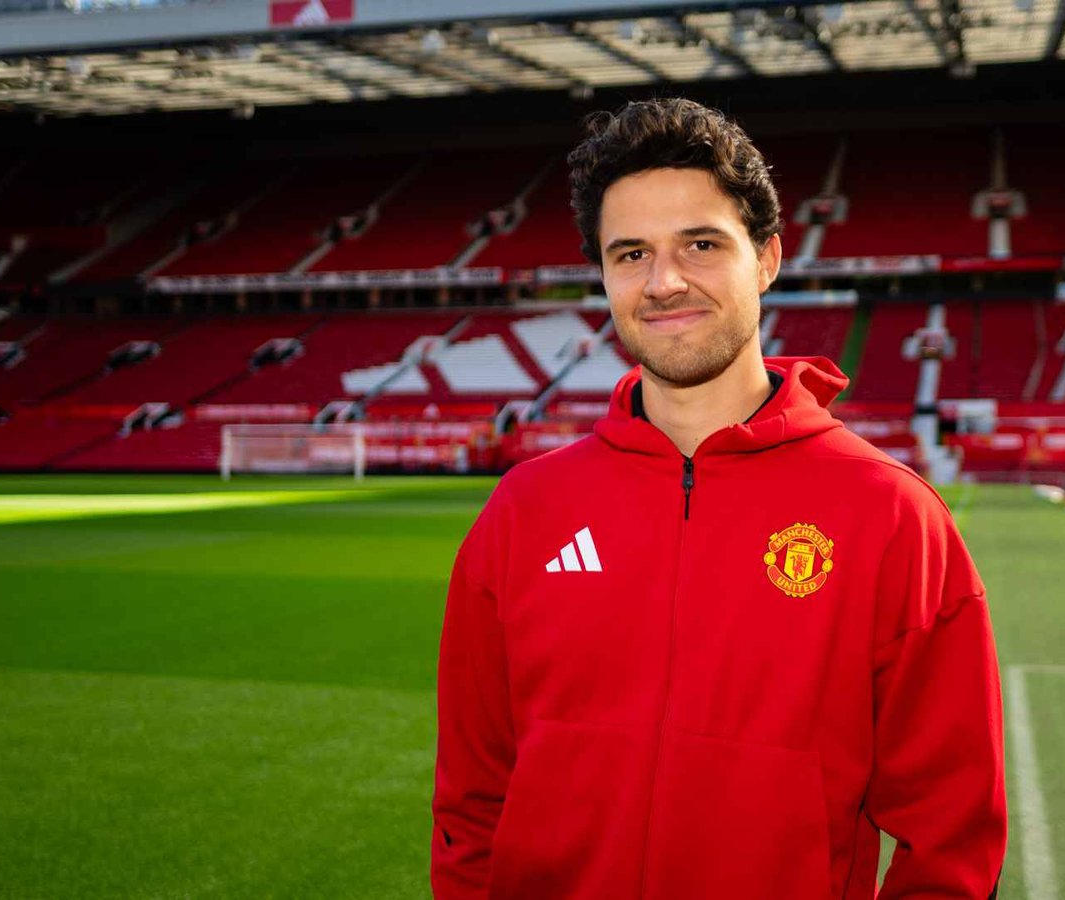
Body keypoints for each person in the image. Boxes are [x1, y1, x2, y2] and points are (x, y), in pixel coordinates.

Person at [431, 98, 1006, 899]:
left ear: (767, 258)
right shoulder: (524, 511)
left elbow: (949, 835)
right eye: (630, 253)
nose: (663, 282)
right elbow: (472, 800)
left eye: (700, 244)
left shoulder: (891, 515)